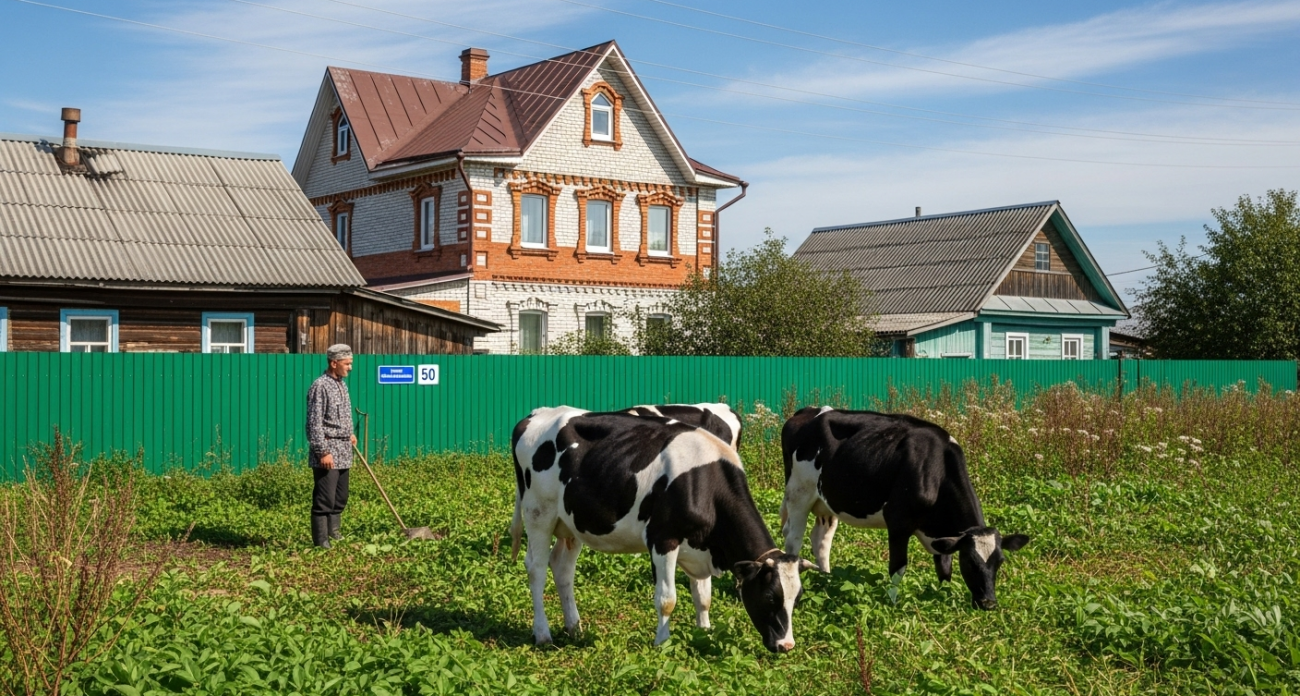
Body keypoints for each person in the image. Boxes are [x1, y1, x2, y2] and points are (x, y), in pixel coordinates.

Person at [306, 344, 357, 548]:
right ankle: (321, 542)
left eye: (351, 363)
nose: (350, 367)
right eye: (347, 364)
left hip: (344, 449)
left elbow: (342, 415)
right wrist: (322, 451)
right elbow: (313, 422)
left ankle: (334, 533)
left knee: (340, 496)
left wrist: (350, 432)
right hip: (328, 450)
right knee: (325, 498)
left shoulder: (342, 384)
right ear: (334, 363)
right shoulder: (320, 386)